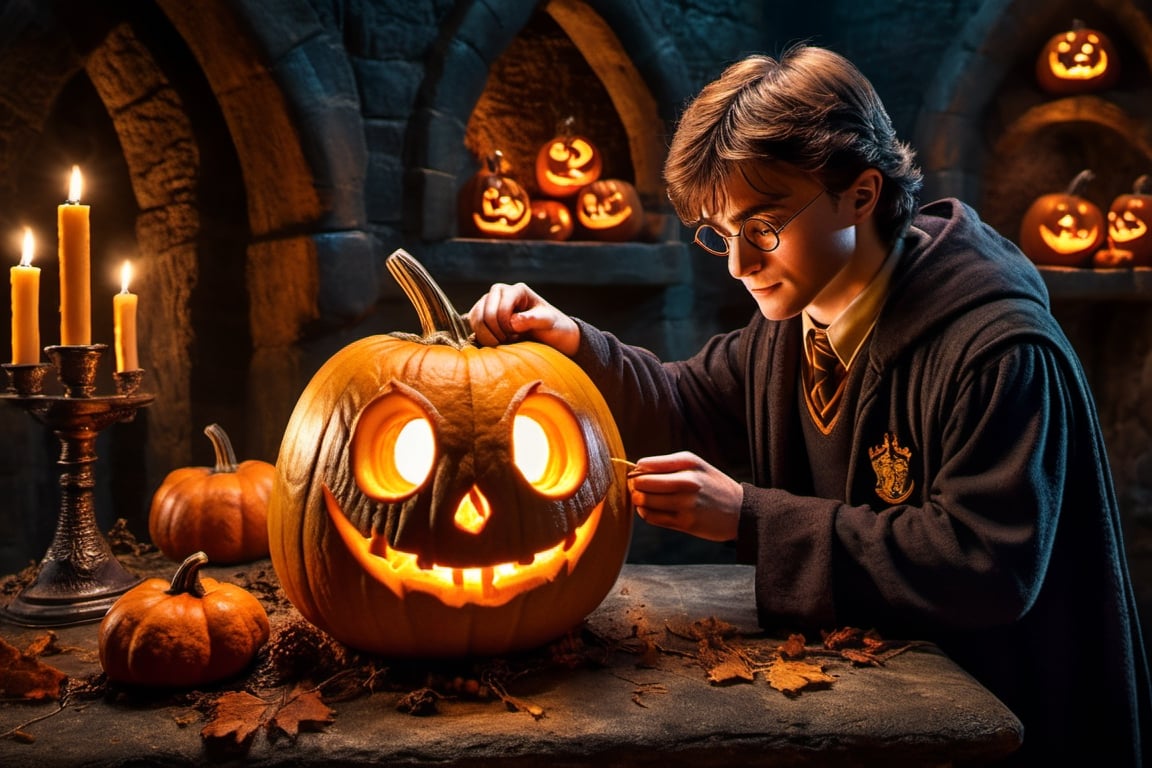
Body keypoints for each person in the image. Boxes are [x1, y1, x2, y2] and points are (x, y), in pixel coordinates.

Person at [467, 44, 1152, 765]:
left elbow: (982, 565)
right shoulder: (796, 323)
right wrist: (572, 341)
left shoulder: (997, 350)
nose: (739, 264)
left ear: (860, 195)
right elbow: (683, 401)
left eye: (763, 228)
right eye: (721, 234)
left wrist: (749, 519)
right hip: (879, 706)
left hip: (1013, 728)